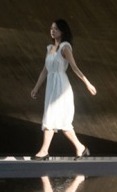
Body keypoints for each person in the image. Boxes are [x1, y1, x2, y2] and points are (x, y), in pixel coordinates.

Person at [31, 19, 97, 159]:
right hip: (51, 86)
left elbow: (74, 67)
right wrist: (36, 87)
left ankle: (44, 151)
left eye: (56, 28)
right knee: (59, 120)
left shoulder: (65, 47)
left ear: (62, 31)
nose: (52, 31)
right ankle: (81, 148)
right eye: (51, 28)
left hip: (61, 87)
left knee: (53, 116)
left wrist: (87, 83)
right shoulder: (50, 48)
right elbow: (45, 70)